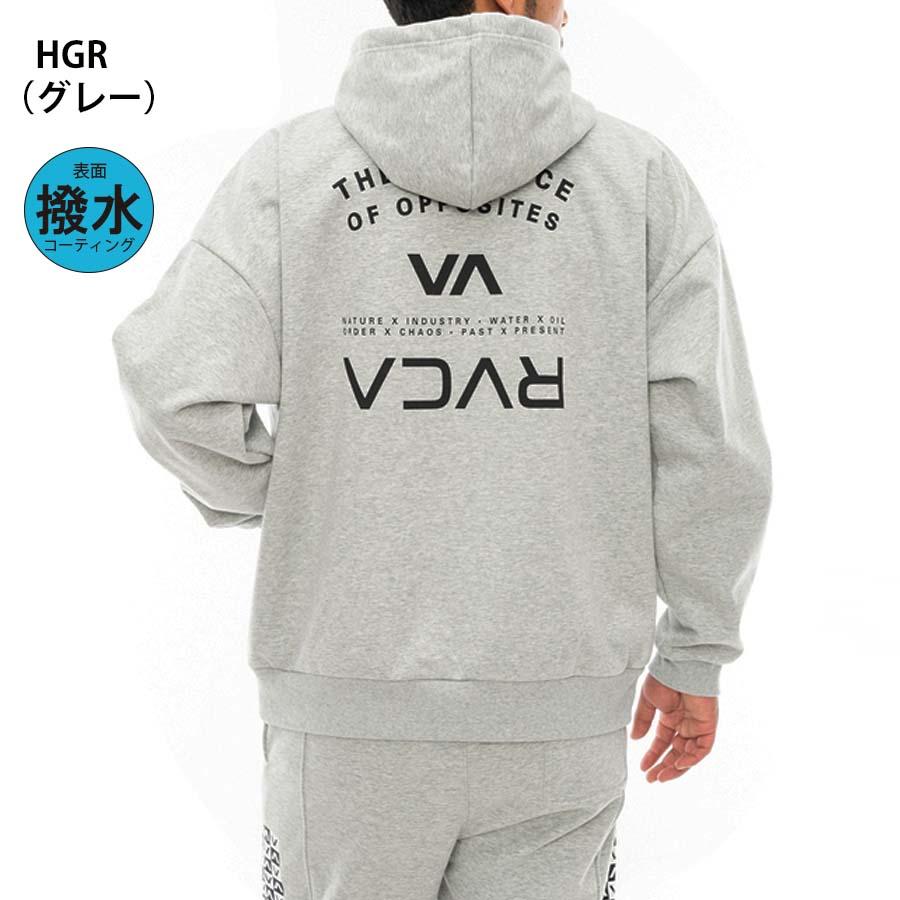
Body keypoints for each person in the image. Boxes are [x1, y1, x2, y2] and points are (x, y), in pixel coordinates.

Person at [111, 1, 772, 897]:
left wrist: (291, 488)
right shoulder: (640, 182)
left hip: (341, 716)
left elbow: (170, 381)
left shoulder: (289, 174)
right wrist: (696, 648)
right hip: (561, 715)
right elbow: (710, 444)